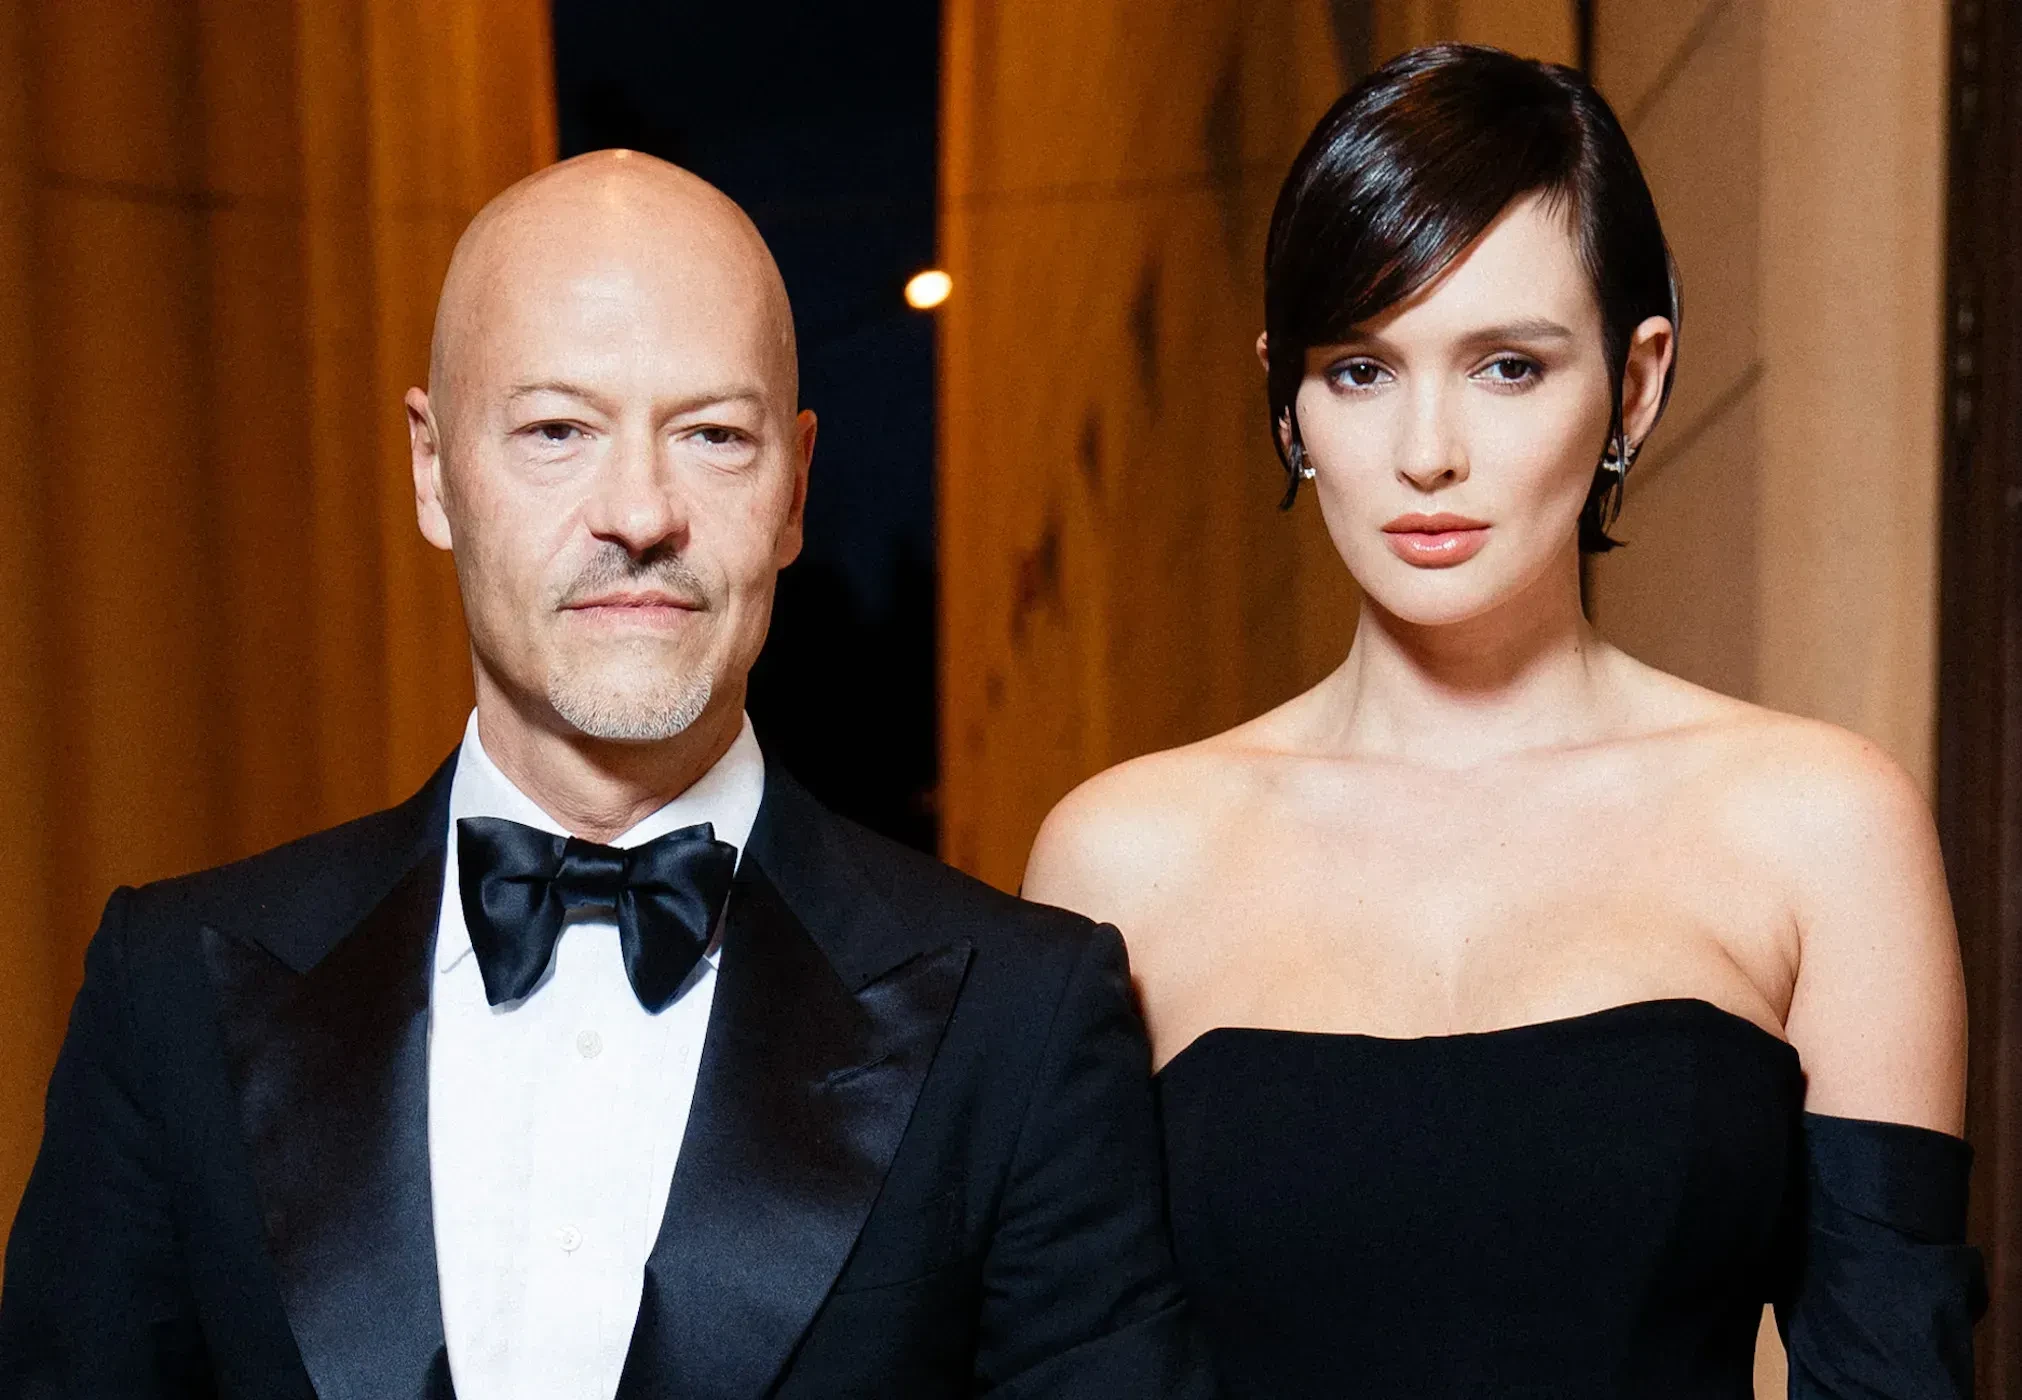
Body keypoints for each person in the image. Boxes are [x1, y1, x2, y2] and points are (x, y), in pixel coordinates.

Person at [0, 151, 1215, 1400]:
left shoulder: (1020, 1018)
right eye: (558, 430)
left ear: (794, 487)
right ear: (432, 470)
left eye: (713, 435)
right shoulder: (169, 993)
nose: (639, 511)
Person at [1025, 44, 1984, 1400]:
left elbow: (1890, 1367)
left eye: (1509, 367)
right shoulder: (1123, 857)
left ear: (1634, 382)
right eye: (1361, 370)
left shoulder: (1820, 828)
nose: (1428, 451)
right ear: (1286, 400)